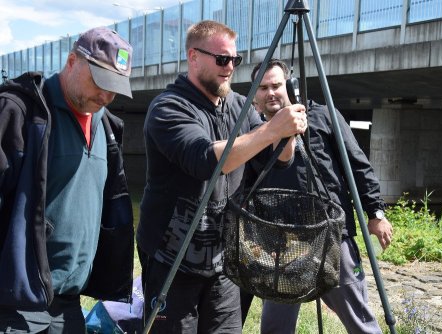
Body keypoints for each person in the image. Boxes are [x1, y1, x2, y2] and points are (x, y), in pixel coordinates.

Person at [136, 20, 307, 333]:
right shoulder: (169, 107)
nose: (230, 68)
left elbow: (278, 161)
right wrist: (272, 129)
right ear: (193, 57)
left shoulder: (240, 106)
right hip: (170, 261)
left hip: (222, 260)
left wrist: (287, 134)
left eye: (234, 60)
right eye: (222, 59)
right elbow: (205, 160)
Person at [240, 59, 394, 334]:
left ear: (289, 85)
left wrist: (376, 214)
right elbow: (247, 190)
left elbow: (358, 166)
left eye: (276, 85)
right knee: (274, 328)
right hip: (282, 246)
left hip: (332, 236)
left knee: (360, 324)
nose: (270, 93)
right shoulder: (254, 136)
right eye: (262, 88)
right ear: (255, 97)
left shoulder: (323, 117)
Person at [0, 26, 135, 333]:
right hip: (15, 304)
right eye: (99, 81)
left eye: (114, 88)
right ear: (72, 61)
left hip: (69, 303)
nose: (105, 95)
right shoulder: (19, 112)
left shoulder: (108, 128)